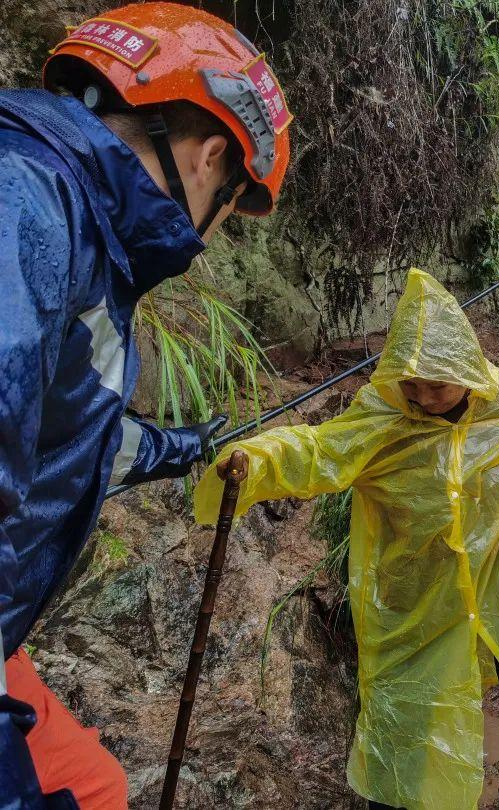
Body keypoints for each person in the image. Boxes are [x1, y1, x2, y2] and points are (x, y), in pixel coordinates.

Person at [194, 269, 499, 810]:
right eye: (411, 382)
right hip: (421, 586)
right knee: (413, 699)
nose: (423, 397)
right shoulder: (382, 418)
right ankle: (402, 797)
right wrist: (256, 459)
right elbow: (314, 450)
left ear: (468, 372)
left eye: (437, 384)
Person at [0, 5, 293, 807]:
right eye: (231, 208)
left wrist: (179, 447)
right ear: (209, 159)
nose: (214, 234)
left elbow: (60, 428)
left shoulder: (67, 220)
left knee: (95, 783)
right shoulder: (27, 199)